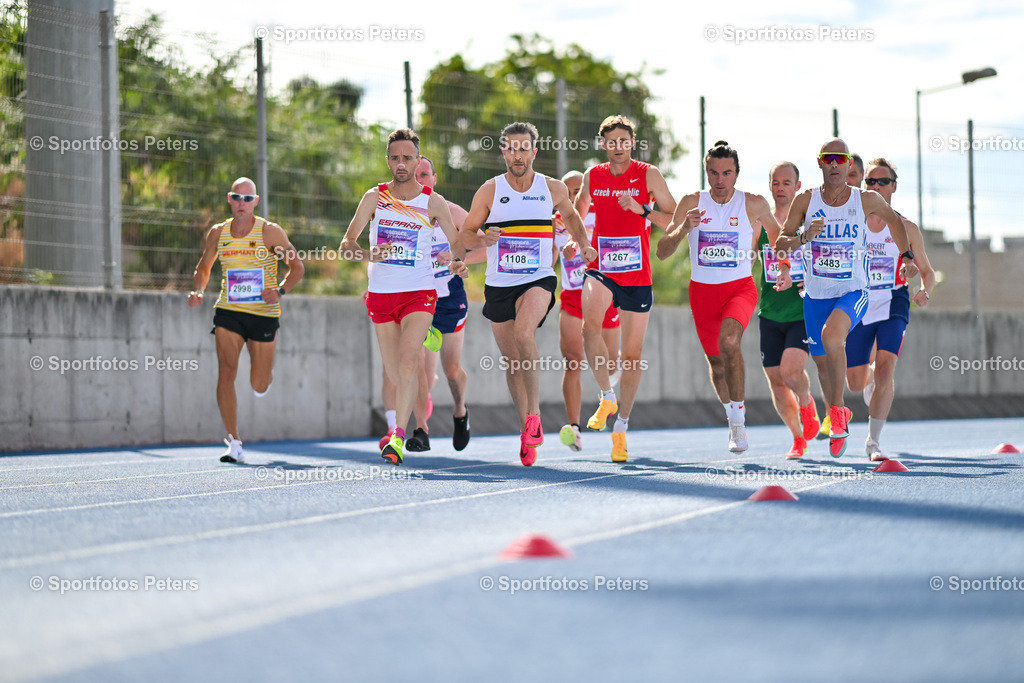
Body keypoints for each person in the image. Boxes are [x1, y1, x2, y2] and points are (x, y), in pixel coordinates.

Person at [460, 121, 592, 466]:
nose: (517, 155)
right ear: (503, 151)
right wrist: (482, 238)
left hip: (538, 277)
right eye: (511, 148)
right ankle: (526, 430)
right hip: (499, 283)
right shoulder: (489, 190)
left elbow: (572, 217)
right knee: (513, 363)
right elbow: (465, 234)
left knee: (524, 333)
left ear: (534, 152)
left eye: (524, 148)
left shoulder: (553, 188)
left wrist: (584, 244)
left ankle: (534, 416)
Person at [774, 138, 912, 458]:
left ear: (849, 164)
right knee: (823, 367)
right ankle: (838, 410)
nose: (835, 164)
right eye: (828, 158)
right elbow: (782, 245)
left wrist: (906, 255)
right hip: (815, 294)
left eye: (841, 159)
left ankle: (837, 419)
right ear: (820, 163)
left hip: (854, 290)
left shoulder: (866, 199)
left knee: (832, 338)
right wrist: (805, 237)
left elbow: (895, 221)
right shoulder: (805, 201)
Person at [341, 128, 468, 465]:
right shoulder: (374, 197)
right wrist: (370, 255)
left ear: (417, 161)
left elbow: (457, 243)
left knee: (410, 360)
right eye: (395, 158)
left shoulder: (432, 202)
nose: (401, 163)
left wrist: (457, 263)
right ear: (387, 161)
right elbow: (347, 246)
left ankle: (399, 435)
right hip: (382, 294)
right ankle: (406, 415)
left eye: (407, 158)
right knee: (396, 372)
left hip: (419, 292)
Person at [659, 141, 784, 453]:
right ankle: (731, 418)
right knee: (716, 364)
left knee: (730, 342)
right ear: (706, 172)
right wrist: (682, 229)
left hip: (739, 287)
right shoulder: (691, 202)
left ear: (737, 174)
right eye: (713, 172)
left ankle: (739, 424)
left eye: (727, 173)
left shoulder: (753, 203)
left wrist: (783, 267)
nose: (720, 180)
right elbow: (662, 251)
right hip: (702, 293)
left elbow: (778, 238)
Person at [574, 115, 676, 462]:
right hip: (601, 266)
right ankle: (606, 395)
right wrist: (581, 241)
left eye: (624, 141)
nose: (618, 147)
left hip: (636, 273)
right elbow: (579, 210)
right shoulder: (593, 176)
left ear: (632, 142)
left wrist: (643, 209)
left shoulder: (648, 174)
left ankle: (621, 428)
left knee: (632, 357)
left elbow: (674, 219)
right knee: (589, 328)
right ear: (603, 144)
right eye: (611, 141)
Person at [188, 177, 305, 463]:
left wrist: (279, 291)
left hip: (263, 313)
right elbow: (203, 268)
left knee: (259, 383)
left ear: (256, 201)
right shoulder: (218, 233)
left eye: (247, 199)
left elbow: (297, 268)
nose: (242, 203)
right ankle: (234, 442)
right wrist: (198, 290)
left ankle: (266, 374)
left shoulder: (270, 232)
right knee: (226, 371)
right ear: (229, 199)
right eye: (236, 197)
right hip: (229, 310)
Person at [378, 155, 479, 453]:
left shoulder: (450, 211)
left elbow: (487, 245)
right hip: (416, 296)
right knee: (417, 363)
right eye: (415, 174)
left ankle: (460, 411)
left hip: (448, 298)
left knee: (450, 370)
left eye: (425, 174)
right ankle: (421, 429)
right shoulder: (396, 210)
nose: (419, 179)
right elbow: (386, 251)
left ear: (434, 179)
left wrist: (458, 259)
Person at [844, 158, 934, 460]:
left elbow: (928, 271)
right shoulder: (852, 222)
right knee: (855, 383)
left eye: (883, 182)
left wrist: (925, 291)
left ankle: (873, 442)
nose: (876, 187)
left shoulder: (906, 227)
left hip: (893, 302)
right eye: (870, 181)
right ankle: (867, 379)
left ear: (894, 185)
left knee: (885, 369)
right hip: (858, 302)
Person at [554, 170, 622, 452]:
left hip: (604, 295)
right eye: (567, 191)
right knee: (572, 360)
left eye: (577, 190)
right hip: (572, 296)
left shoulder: (601, 212)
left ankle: (606, 393)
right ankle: (574, 427)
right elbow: (544, 255)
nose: (572, 196)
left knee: (610, 365)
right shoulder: (555, 220)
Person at [757, 161, 821, 459]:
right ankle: (797, 438)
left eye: (786, 183)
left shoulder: (809, 222)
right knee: (776, 381)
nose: (780, 188)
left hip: (800, 310)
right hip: (769, 312)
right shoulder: (760, 221)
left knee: (791, 372)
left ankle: (807, 402)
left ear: (797, 186)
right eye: (775, 182)